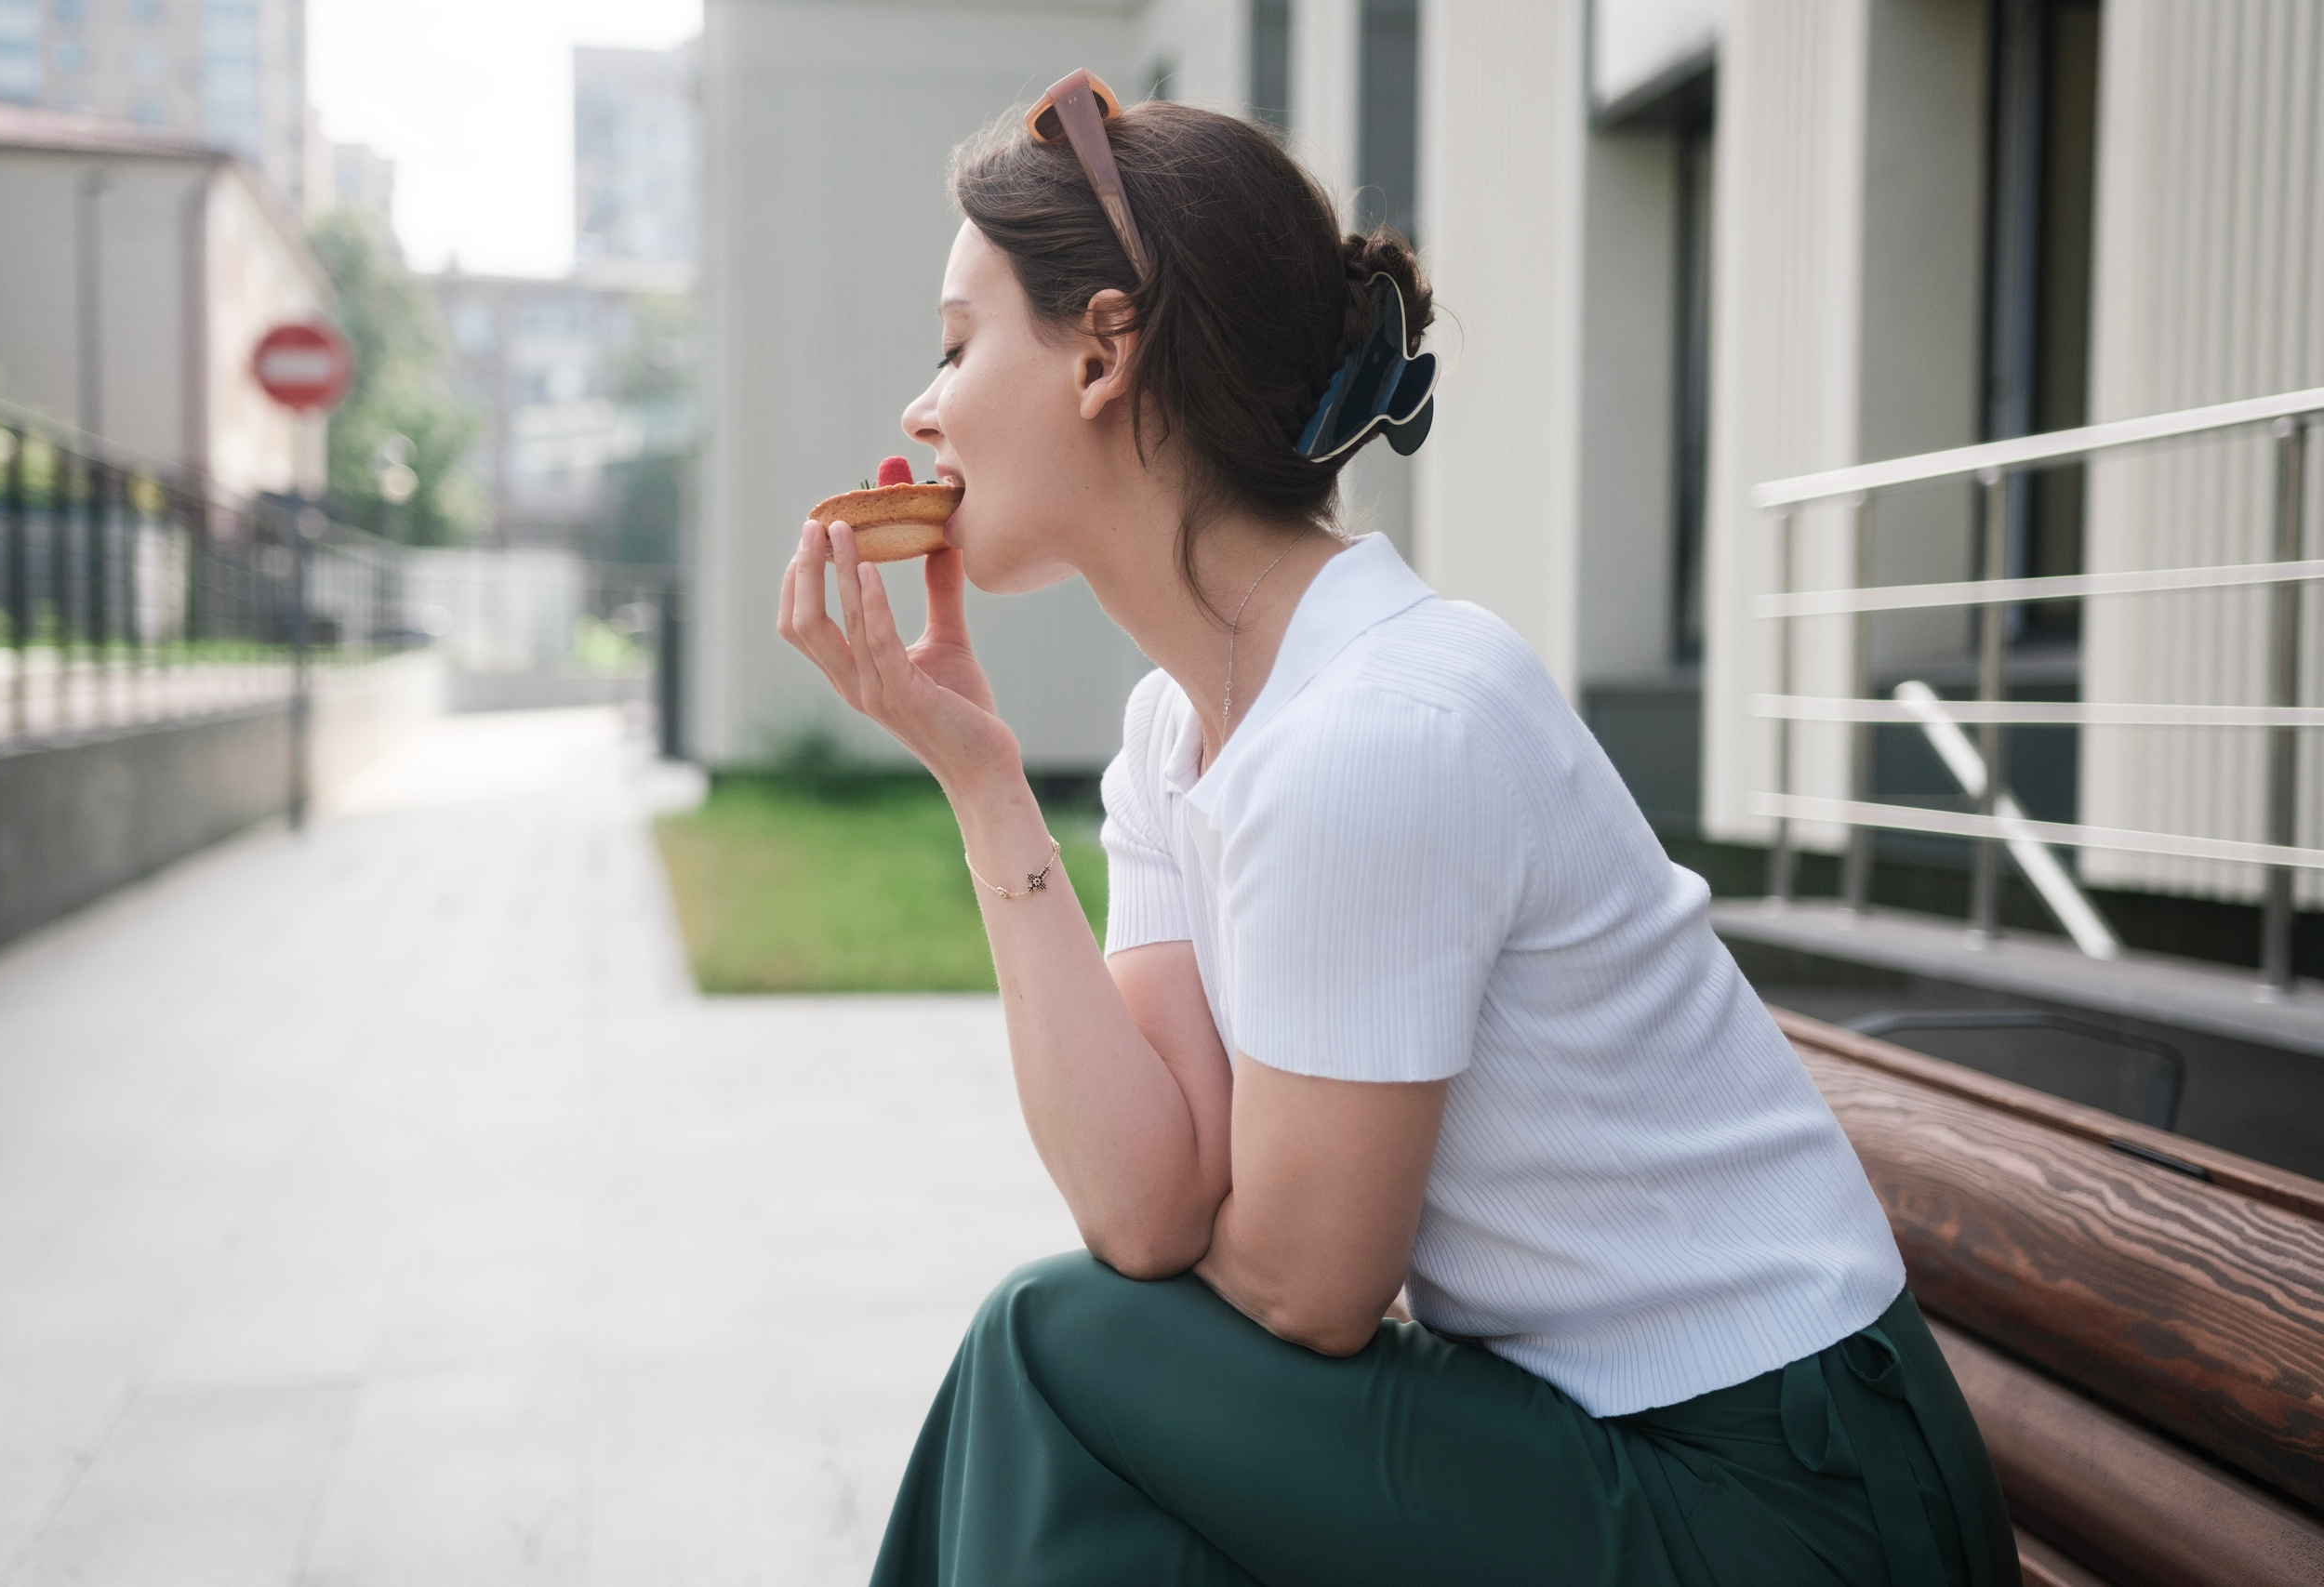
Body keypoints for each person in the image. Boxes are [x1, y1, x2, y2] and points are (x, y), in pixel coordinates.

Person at [777, 68, 2017, 1587]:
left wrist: (1238, 1222)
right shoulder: (1182, 730)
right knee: (1071, 1361)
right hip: (1595, 1439)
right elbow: (1153, 1205)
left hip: (1790, 1496)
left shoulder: (1386, 727)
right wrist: (978, 779)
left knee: (1053, 1352)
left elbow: (1303, 1292)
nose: (921, 406)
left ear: (1106, 352)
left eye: (961, 345)